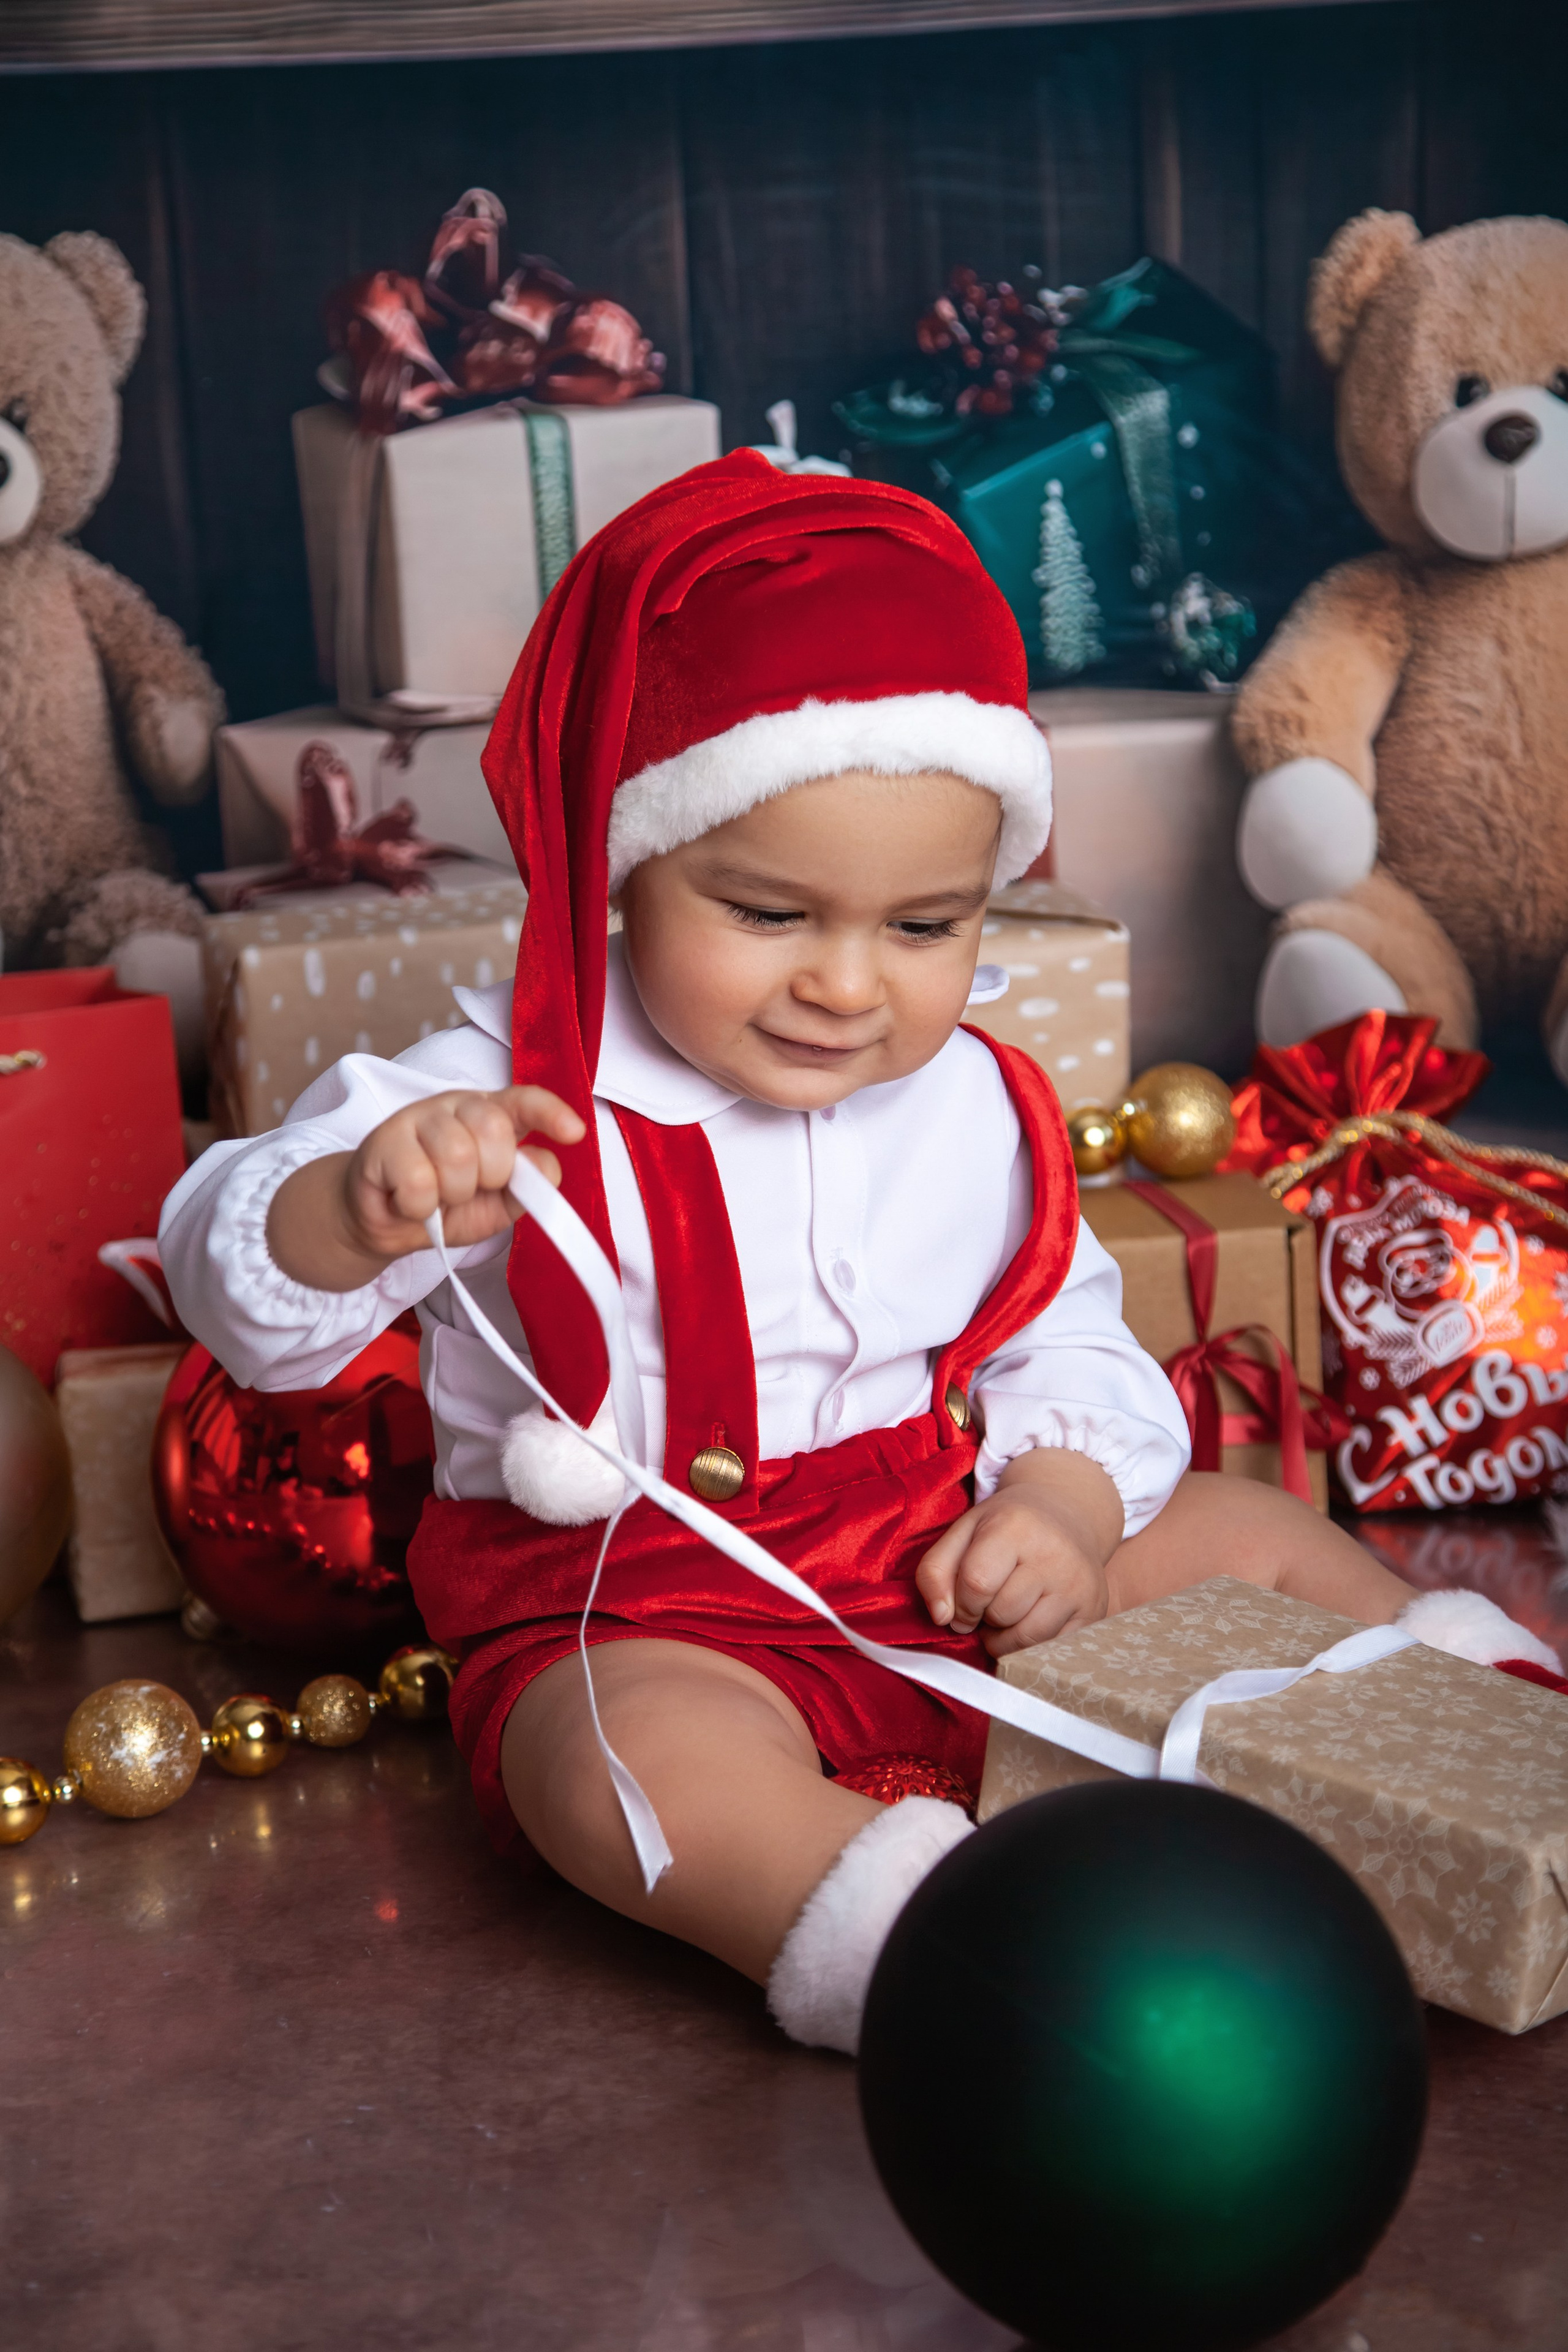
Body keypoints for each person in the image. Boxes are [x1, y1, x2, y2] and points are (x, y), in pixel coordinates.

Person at [160, 454, 1556, 2054]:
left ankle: (1486, 1747)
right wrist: (351, 1205)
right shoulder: (499, 1079)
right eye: (765, 914)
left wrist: (1061, 1501)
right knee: (617, 1774)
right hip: (647, 1597)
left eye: (922, 928)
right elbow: (229, 1283)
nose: (846, 984)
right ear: (625, 865)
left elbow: (1067, 1341)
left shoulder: (978, 1104)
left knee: (1252, 1532)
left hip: (944, 1538)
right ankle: (909, 1932)